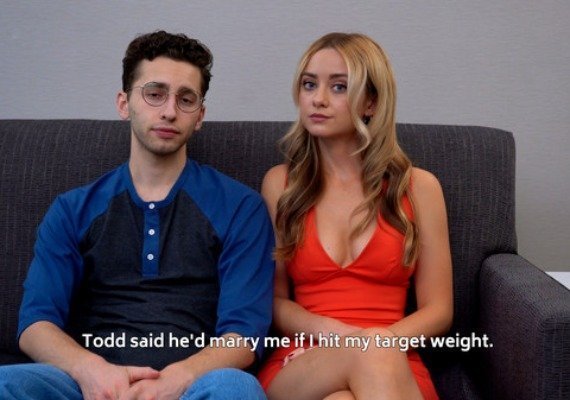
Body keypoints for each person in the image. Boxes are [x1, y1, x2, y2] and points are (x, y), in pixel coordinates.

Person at [0, 31, 274, 400]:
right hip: (86, 386)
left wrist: (179, 378)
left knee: (237, 388)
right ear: (124, 103)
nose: (170, 111)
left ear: (200, 116)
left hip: (194, 386)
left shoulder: (241, 207)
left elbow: (245, 335)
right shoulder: (72, 209)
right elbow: (36, 324)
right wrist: (91, 371)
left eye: (186, 99)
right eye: (155, 94)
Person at [257, 32, 453, 399]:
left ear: (371, 103)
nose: (318, 99)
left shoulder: (420, 188)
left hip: (394, 359)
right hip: (304, 359)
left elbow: (439, 309)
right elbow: (275, 302)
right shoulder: (281, 184)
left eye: (339, 87)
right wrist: (343, 338)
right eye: (309, 84)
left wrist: (376, 343)